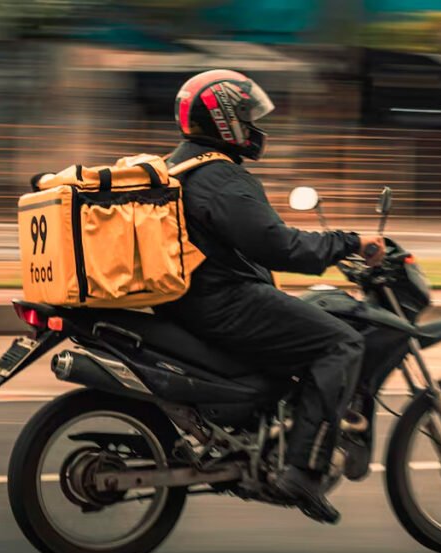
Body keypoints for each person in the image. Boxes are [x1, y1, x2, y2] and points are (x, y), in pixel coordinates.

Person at [156, 70, 384, 524]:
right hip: (225, 303)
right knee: (341, 343)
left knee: (303, 327)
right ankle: (302, 470)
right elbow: (278, 246)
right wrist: (348, 243)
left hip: (187, 303)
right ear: (224, 121)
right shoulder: (220, 177)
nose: (255, 126)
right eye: (246, 116)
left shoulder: (174, 166)